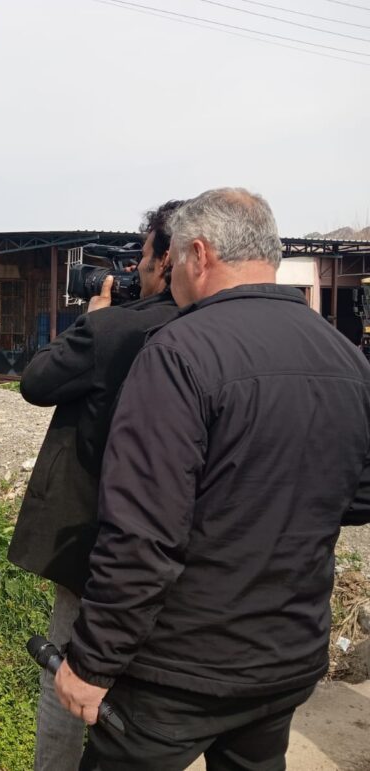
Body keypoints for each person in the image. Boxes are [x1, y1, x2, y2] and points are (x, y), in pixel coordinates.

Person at [55, 188, 370, 770]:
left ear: (199, 254)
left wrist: (93, 663)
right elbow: (358, 492)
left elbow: (143, 534)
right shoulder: (345, 356)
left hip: (177, 674)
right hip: (285, 660)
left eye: (171, 259)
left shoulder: (178, 352)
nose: (168, 274)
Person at [7, 200, 184, 770]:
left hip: (98, 541)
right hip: (190, 558)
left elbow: (37, 382)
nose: (138, 270)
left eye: (143, 257)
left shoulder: (116, 330)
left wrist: (95, 314)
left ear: (170, 258)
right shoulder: (213, 333)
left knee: (66, 674)